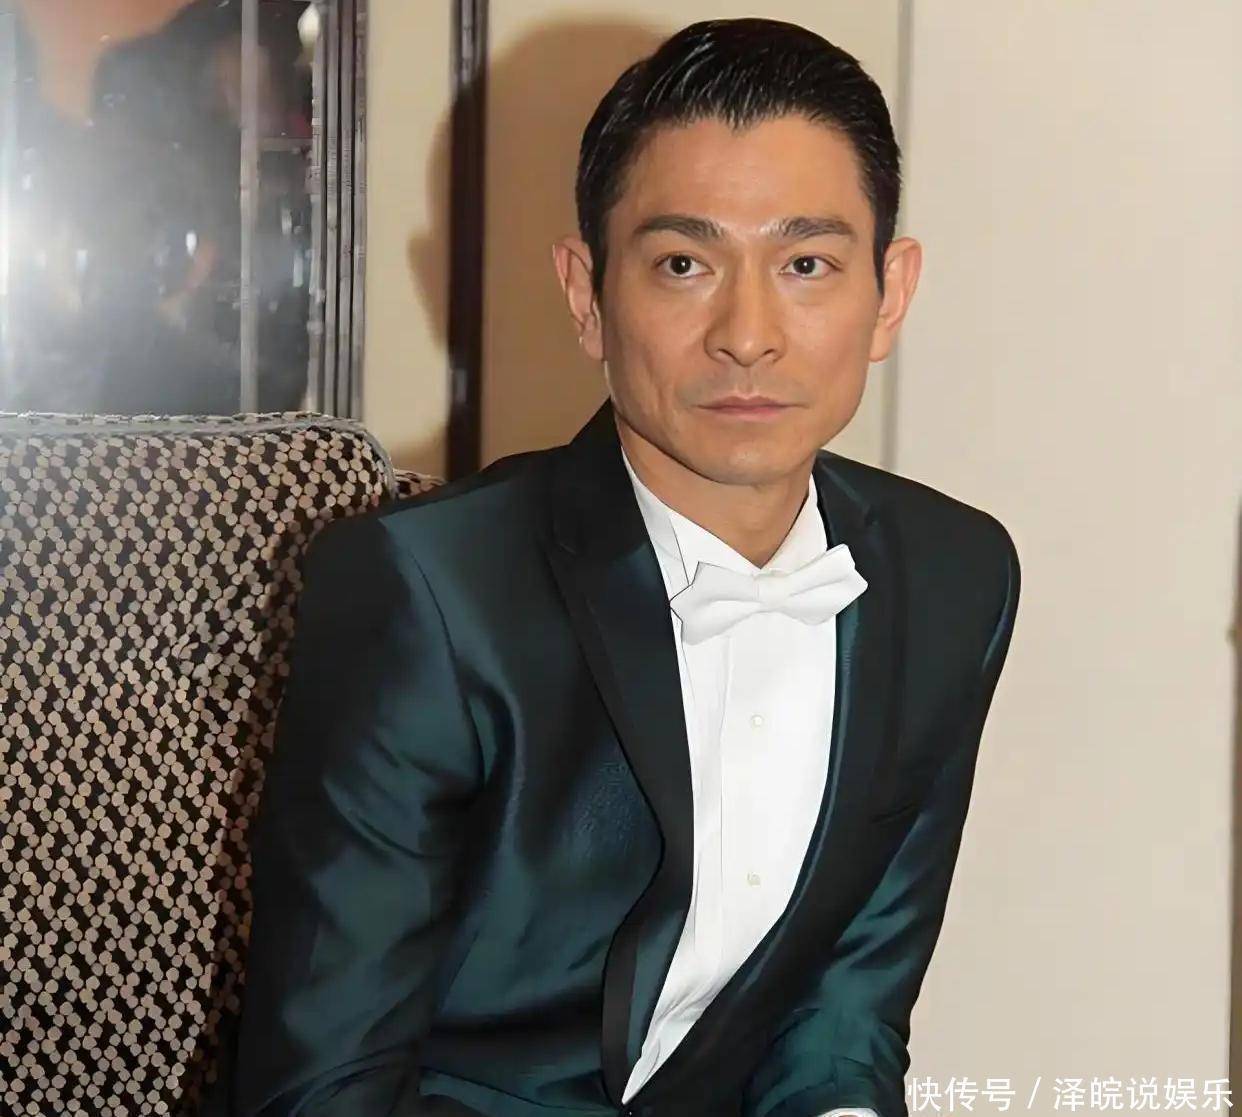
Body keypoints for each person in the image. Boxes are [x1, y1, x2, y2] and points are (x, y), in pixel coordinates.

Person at [230, 18, 1020, 1117]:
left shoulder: (951, 577)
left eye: (806, 264)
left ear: (889, 294)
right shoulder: (428, 591)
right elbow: (325, 1087)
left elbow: (845, 1018)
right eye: (685, 264)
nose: (748, 334)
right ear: (587, 294)